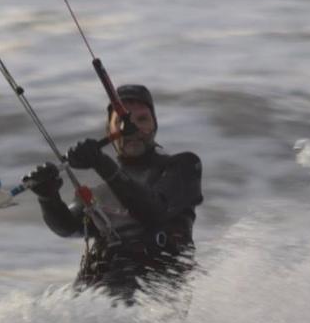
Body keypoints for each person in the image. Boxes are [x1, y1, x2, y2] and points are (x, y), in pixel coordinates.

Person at [25, 85, 203, 301]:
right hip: (98, 298)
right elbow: (69, 226)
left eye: (142, 119)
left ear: (155, 125)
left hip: (156, 299)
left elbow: (153, 211)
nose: (132, 128)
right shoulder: (99, 186)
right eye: (121, 121)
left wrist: (101, 163)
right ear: (109, 131)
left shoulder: (183, 166)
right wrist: (47, 197)